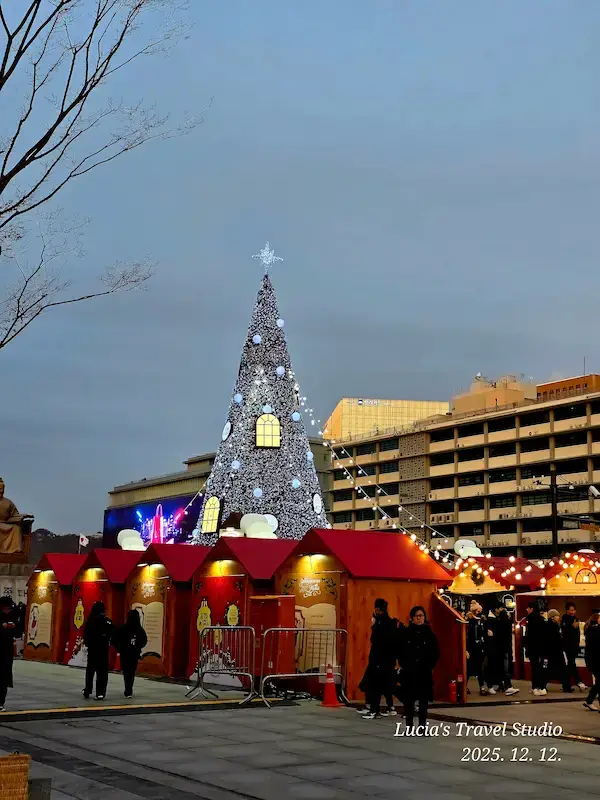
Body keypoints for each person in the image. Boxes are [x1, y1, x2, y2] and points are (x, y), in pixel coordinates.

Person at [398, 606, 440, 731]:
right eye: (417, 616)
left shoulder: (429, 634)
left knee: (423, 701)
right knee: (409, 701)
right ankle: (409, 726)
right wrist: (404, 663)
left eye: (421, 615)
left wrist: (430, 665)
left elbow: (436, 652)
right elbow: (400, 650)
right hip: (409, 671)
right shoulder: (406, 633)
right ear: (412, 618)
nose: (419, 618)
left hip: (424, 671)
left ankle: (422, 725)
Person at [360, 598, 399, 720]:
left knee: (374, 684)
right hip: (388, 659)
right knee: (386, 684)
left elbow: (376, 640)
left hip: (379, 658)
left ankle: (374, 709)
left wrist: (374, 625)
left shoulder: (380, 623)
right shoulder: (391, 622)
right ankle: (389, 706)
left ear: (377, 609)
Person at [82, 601, 115, 700]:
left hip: (93, 650)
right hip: (104, 650)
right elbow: (113, 634)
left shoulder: (90, 622)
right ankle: (100, 693)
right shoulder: (108, 622)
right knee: (102, 672)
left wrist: (88, 643)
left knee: (90, 671)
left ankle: (88, 690)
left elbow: (86, 637)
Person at [113, 609, 147, 698]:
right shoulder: (139, 629)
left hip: (125, 653)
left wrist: (119, 648)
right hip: (134, 654)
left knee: (126, 671)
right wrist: (138, 647)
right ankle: (129, 689)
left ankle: (127, 688)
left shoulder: (123, 628)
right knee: (131, 672)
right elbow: (143, 641)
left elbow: (115, 639)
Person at [488, 605, 519, 696]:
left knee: (501, 668)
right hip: (506, 649)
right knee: (505, 669)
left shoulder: (496, 623)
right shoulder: (508, 624)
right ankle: (507, 686)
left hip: (498, 649)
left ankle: (501, 685)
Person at [0, 597, 23, 711]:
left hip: (6, 652)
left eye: (8, 609)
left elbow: (18, 632)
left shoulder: (13, 617)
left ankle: (1, 702)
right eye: (5, 609)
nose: (7, 611)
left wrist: (12, 627)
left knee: (4, 678)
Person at [561, 602, 586, 692]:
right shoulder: (564, 620)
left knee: (570, 665)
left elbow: (577, 633)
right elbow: (565, 633)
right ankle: (579, 682)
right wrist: (572, 627)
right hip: (567, 647)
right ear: (567, 610)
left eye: (573, 610)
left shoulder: (576, 619)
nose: (572, 612)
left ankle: (566, 685)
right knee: (571, 664)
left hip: (574, 646)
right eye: (570, 610)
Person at [523, 601, 548, 696]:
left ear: (532, 609)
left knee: (535, 668)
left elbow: (530, 637)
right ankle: (540, 687)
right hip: (541, 648)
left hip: (533, 648)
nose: (527, 610)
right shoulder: (542, 620)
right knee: (539, 668)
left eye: (528, 608)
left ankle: (536, 687)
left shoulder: (531, 620)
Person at [545, 609, 571, 693]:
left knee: (551, 671)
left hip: (553, 652)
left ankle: (542, 686)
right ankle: (566, 686)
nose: (558, 617)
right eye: (557, 616)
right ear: (552, 617)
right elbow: (555, 639)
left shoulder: (553, 625)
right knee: (562, 670)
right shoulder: (552, 626)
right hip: (555, 652)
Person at [466, 599, 489, 695]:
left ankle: (481, 687)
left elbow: (483, 633)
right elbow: (467, 637)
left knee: (480, 668)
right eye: (477, 611)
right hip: (471, 648)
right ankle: (464, 687)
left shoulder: (482, 621)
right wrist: (466, 649)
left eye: (480, 611)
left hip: (480, 647)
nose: (479, 613)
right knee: (468, 668)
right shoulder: (469, 622)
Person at [0, 478, 27, 555]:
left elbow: (15, 515)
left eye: (2, 489)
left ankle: (16, 550)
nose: (1, 491)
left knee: (16, 528)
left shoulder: (8, 502)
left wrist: (21, 517)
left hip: (5, 524)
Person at [583, 609, 600, 711]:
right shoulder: (595, 630)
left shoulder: (590, 629)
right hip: (596, 660)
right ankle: (589, 700)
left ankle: (589, 700)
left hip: (592, 659)